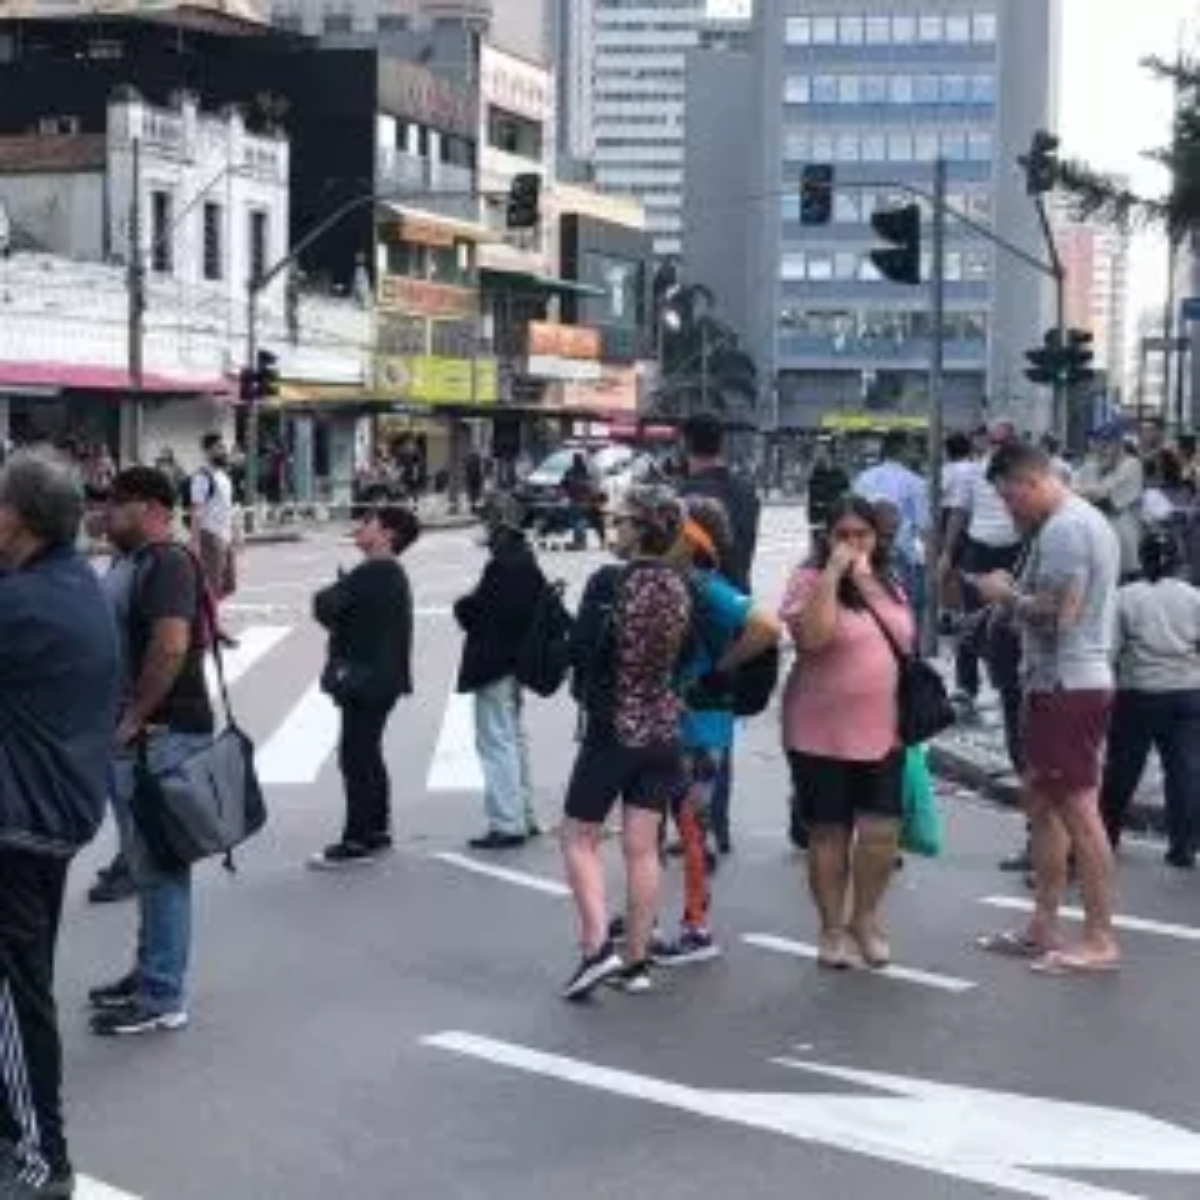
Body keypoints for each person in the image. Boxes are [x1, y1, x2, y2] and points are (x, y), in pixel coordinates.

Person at [0, 451, 119, 1197]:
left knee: (15, 993)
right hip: (50, 812)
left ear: (15, 518)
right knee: (20, 987)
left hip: (19, 822)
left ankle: (42, 1159)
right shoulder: (69, 584)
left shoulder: (26, 605)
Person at [976, 442, 1121, 975]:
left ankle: (1101, 938)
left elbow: (1059, 616)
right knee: (1042, 805)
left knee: (1079, 811)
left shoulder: (1065, 530)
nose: (1009, 510)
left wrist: (1005, 595)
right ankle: (1043, 925)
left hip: (1068, 683)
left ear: (1028, 482)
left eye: (1009, 497)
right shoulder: (1070, 523)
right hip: (1055, 683)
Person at [87, 467, 216, 1038]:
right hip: (137, 736)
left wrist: (135, 716)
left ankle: (163, 993)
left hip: (161, 735)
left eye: (114, 505)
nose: (104, 515)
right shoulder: (132, 564)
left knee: (162, 869)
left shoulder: (165, 561)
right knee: (144, 864)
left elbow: (170, 646)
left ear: (147, 508)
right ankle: (149, 973)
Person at [560, 486, 692, 1000]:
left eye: (621, 523)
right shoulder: (682, 586)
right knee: (643, 849)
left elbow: (581, 649)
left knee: (578, 837)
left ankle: (596, 948)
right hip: (663, 726)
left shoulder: (611, 582)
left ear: (641, 528)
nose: (615, 530)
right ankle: (637, 963)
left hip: (614, 725)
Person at [780, 496, 915, 970]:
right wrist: (834, 576)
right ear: (827, 538)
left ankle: (865, 917)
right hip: (820, 730)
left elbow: (905, 641)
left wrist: (863, 578)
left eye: (863, 535)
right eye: (844, 535)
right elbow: (813, 639)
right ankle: (831, 928)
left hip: (883, 729)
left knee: (881, 832)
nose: (854, 544)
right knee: (829, 834)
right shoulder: (808, 580)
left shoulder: (889, 583)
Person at [654, 496, 781, 965]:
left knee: (691, 829)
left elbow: (768, 626)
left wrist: (716, 671)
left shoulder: (705, 587)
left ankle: (695, 929)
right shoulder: (686, 582)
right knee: (676, 826)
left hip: (701, 725)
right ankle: (670, 922)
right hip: (689, 723)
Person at [310, 507, 418, 869]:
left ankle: (356, 839)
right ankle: (376, 829)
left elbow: (325, 605)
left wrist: (335, 593)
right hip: (383, 678)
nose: (360, 527)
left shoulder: (375, 571)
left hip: (366, 678)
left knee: (355, 755)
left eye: (368, 523)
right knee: (367, 752)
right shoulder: (390, 574)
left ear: (387, 534)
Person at [678, 414, 761, 854]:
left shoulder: (687, 496)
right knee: (719, 722)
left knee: (687, 722)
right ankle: (715, 822)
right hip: (735, 608)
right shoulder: (747, 492)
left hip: (694, 611)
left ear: (685, 443)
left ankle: (696, 824)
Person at [1100, 529, 1200, 868]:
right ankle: (1183, 847)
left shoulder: (1124, 597)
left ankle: (1106, 837)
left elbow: (1110, 651)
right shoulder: (1193, 597)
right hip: (1187, 695)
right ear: (1179, 560)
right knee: (1185, 771)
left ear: (1141, 560)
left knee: (1123, 771)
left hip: (1138, 694)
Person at [455, 497, 545, 850]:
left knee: (496, 740)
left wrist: (463, 606)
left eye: (490, 522)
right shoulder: (526, 561)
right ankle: (523, 813)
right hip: (515, 660)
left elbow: (480, 613)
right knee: (512, 737)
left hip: (495, 662)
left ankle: (507, 822)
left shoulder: (504, 566)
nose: (486, 529)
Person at [941, 419, 1023, 717]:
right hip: (979, 549)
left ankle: (1009, 684)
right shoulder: (973, 472)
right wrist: (947, 553)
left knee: (1014, 622)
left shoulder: (1025, 472)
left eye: (1005, 442)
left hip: (1014, 552)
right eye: (996, 441)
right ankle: (966, 686)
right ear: (988, 442)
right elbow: (959, 513)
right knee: (971, 619)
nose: (999, 447)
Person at [1075, 422, 1144, 582]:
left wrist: (1087, 493)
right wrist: (1090, 493)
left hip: (1123, 547)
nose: (1100, 448)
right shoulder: (1090, 466)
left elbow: (1107, 501)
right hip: (1093, 546)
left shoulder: (1132, 465)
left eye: (1106, 443)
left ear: (1119, 444)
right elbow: (1073, 496)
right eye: (1097, 442)